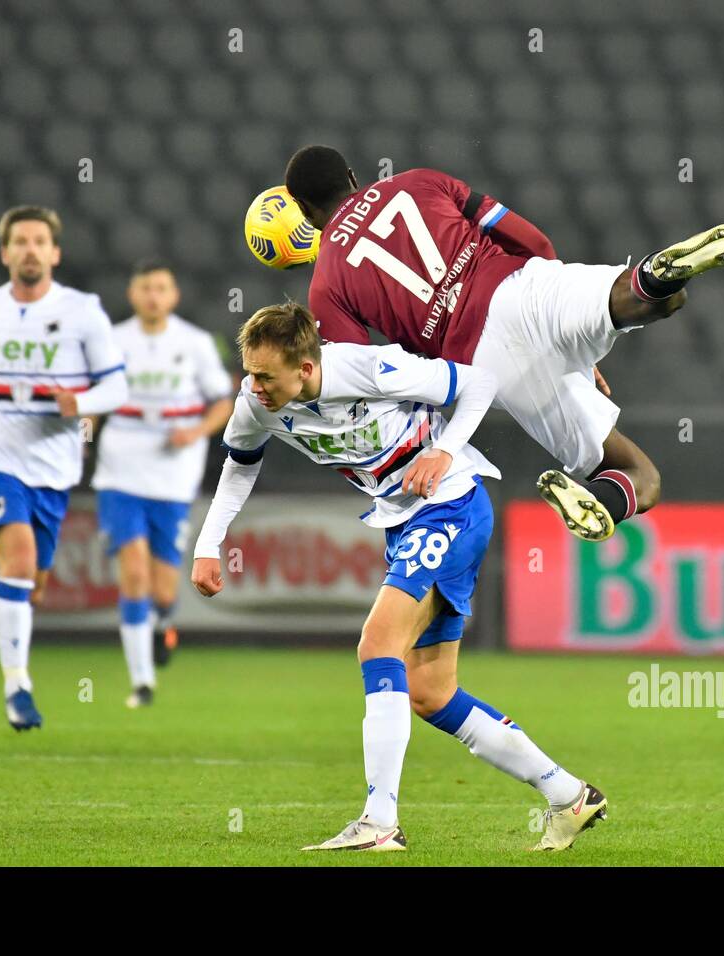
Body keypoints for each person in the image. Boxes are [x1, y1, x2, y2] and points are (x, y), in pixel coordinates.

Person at [190, 302, 608, 852]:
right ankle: (569, 795)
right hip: (403, 520)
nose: (254, 386)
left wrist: (443, 450)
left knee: (377, 644)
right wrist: (208, 543)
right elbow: (240, 465)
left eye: (266, 375)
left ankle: (379, 821)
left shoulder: (372, 368)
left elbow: (479, 383)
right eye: (249, 372)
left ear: (307, 368)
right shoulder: (257, 404)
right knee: (432, 693)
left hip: (451, 502)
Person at [284, 145, 724, 542]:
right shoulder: (418, 180)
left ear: (304, 211)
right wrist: (567, 331)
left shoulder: (327, 282)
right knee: (657, 298)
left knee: (641, 475)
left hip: (488, 358)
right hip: (522, 284)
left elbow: (365, 375)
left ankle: (597, 501)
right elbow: (530, 238)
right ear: (351, 174)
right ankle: (656, 273)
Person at [0, 206, 128, 730]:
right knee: (18, 563)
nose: (29, 249)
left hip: (52, 466)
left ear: (54, 253)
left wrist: (83, 401)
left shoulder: (83, 312)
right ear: (5, 253)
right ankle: (18, 688)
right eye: (19, 241)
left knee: (31, 587)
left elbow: (118, 385)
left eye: (38, 241)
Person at [88, 260, 233, 707]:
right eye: (145, 288)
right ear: (133, 294)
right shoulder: (113, 340)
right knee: (133, 572)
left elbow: (223, 402)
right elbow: (93, 398)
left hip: (174, 473)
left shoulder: (194, 343)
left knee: (165, 590)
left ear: (173, 296)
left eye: (161, 288)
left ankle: (161, 625)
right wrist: (81, 434)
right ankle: (142, 682)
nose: (153, 295)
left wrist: (195, 432)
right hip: (121, 467)